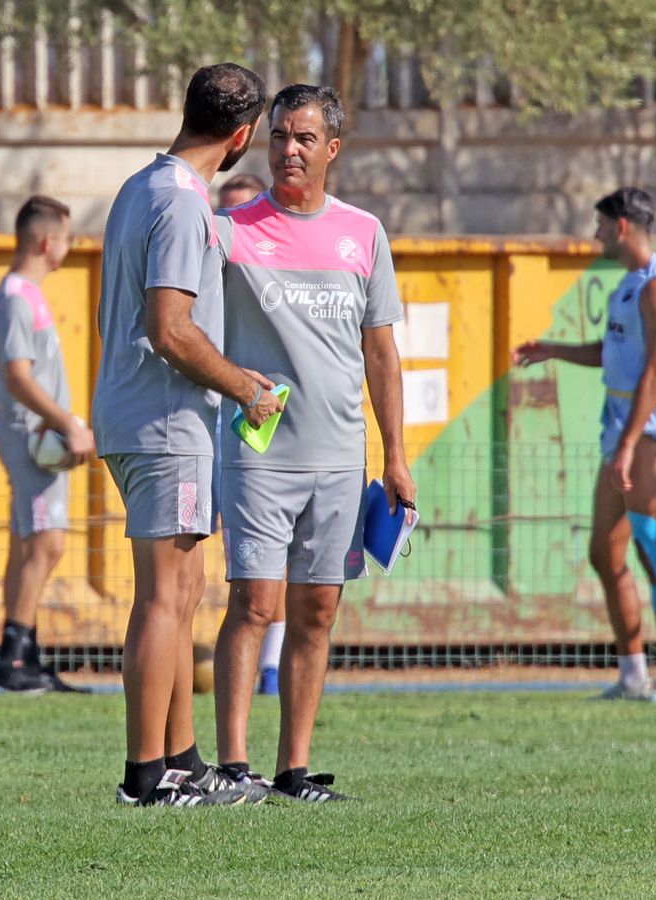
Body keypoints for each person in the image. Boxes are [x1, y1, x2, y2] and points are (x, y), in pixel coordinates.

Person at [210, 84, 413, 802]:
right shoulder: (230, 232)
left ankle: (294, 770)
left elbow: (382, 356)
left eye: (302, 139)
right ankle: (233, 769)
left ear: (331, 149)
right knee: (253, 604)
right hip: (260, 457)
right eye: (277, 138)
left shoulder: (364, 232)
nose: (287, 151)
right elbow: (183, 325)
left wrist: (394, 456)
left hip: (339, 460)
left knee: (317, 612)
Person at [93, 63, 282, 807]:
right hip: (165, 420)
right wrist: (245, 387)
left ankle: (183, 759)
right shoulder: (179, 203)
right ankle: (148, 776)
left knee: (186, 587)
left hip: (144, 415)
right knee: (163, 599)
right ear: (241, 137)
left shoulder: (143, 184)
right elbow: (170, 329)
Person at [513, 187, 656, 704]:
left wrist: (632, 443)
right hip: (622, 435)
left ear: (620, 227)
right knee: (604, 552)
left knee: (654, 550)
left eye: (598, 225)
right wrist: (554, 350)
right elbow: (611, 353)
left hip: (652, 436)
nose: (592, 235)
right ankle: (633, 674)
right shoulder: (628, 288)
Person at [0, 195, 94, 694]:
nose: (68, 247)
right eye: (67, 238)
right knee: (46, 543)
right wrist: (67, 422)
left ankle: (24, 654)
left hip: (39, 435)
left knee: (29, 543)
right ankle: (12, 662)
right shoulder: (14, 296)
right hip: (33, 437)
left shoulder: (29, 294)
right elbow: (18, 376)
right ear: (48, 241)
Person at [215, 176, 284, 696]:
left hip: (256, 428)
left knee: (267, 562)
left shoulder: (277, 279)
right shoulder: (201, 274)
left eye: (243, 213)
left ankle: (272, 666)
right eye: (224, 214)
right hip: (203, 427)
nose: (230, 226)